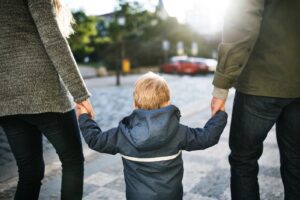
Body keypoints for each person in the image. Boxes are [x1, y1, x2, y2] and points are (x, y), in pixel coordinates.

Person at [77, 72, 228, 200]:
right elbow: (207, 137)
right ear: (168, 102)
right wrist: (219, 114)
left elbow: (95, 140)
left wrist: (84, 117)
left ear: (135, 104)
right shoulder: (178, 132)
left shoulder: (121, 135)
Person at [0, 0, 94, 199]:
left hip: (5, 98)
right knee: (72, 161)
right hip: (44, 92)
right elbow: (52, 37)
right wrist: (80, 94)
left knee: (29, 173)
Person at [210, 0, 300, 199]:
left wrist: (221, 87)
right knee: (296, 160)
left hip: (261, 82)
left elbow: (242, 22)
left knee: (244, 160)